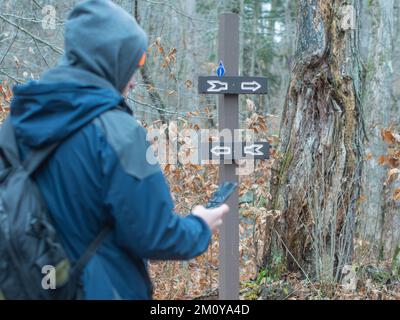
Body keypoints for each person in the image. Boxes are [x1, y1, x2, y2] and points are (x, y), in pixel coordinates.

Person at [8, 0, 228, 299]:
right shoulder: (119, 133)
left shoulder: (16, 123)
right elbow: (155, 234)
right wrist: (201, 225)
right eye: (135, 63)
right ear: (111, 60)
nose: (135, 80)